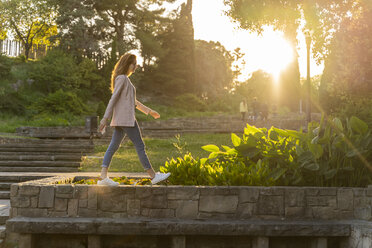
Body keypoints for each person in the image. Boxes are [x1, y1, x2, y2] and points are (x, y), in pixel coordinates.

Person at [98, 53, 171, 186]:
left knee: (113, 146)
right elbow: (113, 98)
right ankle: (153, 176)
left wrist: (149, 111)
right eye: (134, 64)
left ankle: (103, 177)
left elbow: (134, 101)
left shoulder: (124, 79)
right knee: (139, 145)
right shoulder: (122, 79)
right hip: (126, 120)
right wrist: (104, 119)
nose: (135, 66)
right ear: (127, 64)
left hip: (121, 120)